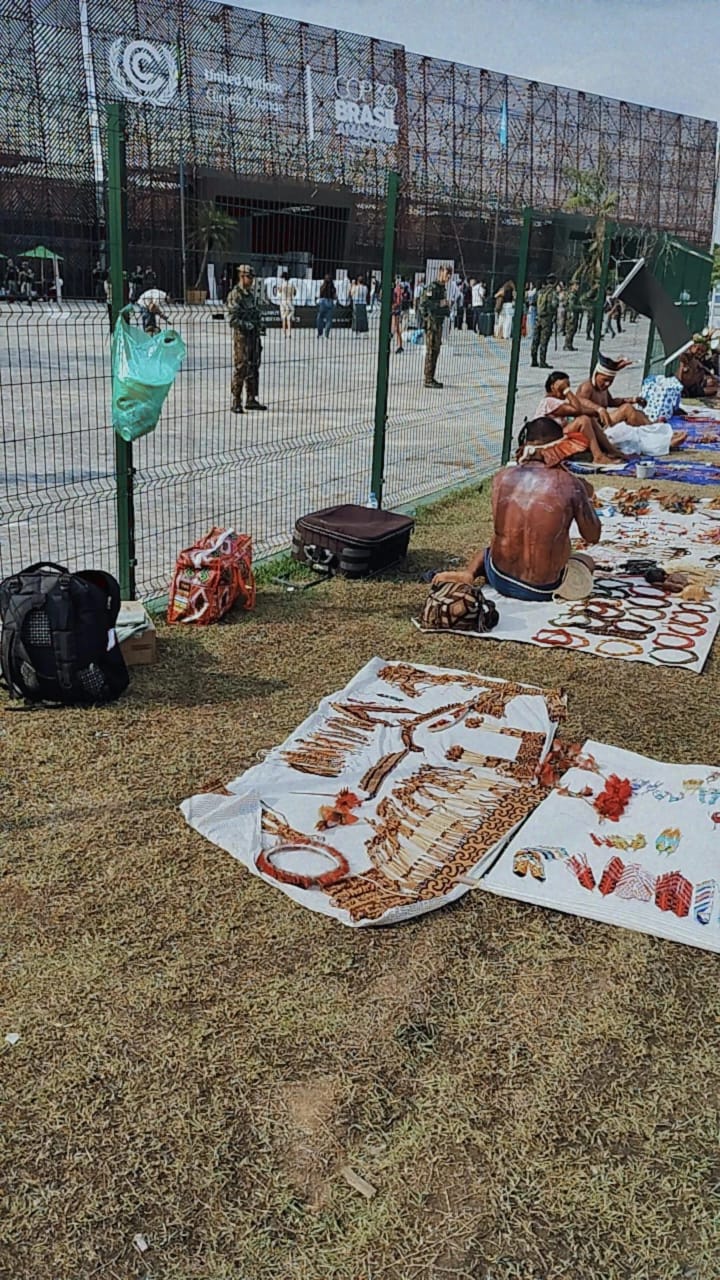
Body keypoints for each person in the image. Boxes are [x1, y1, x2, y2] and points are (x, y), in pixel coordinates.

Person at [433, 417, 601, 601]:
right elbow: (593, 535)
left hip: (499, 576)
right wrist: (583, 495)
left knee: (491, 548)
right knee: (586, 561)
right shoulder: (570, 484)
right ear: (559, 447)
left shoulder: (501, 478)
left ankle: (469, 573)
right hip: (541, 588)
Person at [575, 354, 687, 455]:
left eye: (611, 381)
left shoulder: (603, 389)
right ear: (596, 374)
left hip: (604, 423)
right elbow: (580, 400)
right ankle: (657, 431)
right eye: (604, 380)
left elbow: (611, 402)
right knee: (627, 410)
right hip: (595, 428)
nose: (607, 384)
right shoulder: (587, 387)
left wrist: (633, 399)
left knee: (636, 414)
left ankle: (657, 431)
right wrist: (599, 409)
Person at [536, 370, 627, 465]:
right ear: (552, 387)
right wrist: (567, 391)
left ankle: (611, 451)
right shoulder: (549, 402)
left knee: (588, 419)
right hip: (548, 438)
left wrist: (599, 411)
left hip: (557, 434)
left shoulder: (558, 402)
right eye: (563, 387)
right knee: (583, 420)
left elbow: (583, 411)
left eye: (568, 386)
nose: (565, 390)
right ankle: (598, 456)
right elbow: (577, 409)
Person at [226, 263, 266, 414]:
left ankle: (251, 398)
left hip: (253, 336)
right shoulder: (235, 295)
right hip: (242, 337)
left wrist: (259, 324)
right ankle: (236, 400)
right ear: (241, 276)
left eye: (252, 277)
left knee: (254, 366)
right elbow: (232, 319)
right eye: (249, 277)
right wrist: (247, 325)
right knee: (241, 367)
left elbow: (256, 313)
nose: (251, 280)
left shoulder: (250, 295)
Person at [418, 264, 452, 387]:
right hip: (432, 324)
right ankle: (428, 379)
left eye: (450, 275)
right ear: (441, 272)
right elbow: (423, 303)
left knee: (436, 351)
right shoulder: (433, 287)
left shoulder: (442, 288)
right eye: (447, 273)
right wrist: (439, 304)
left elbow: (441, 307)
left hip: (439, 323)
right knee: (431, 351)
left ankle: (431, 377)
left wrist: (447, 308)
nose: (448, 277)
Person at [530, 274, 558, 368]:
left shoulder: (540, 291)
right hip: (547, 319)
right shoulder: (552, 292)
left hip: (538, 317)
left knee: (535, 340)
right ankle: (542, 362)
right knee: (544, 341)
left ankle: (533, 360)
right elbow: (554, 305)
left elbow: (533, 302)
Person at [563, 282, 582, 351]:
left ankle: (569, 344)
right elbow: (572, 306)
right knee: (570, 329)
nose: (578, 287)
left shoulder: (574, 293)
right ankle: (567, 345)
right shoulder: (572, 294)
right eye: (576, 285)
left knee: (573, 329)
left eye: (578, 285)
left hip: (573, 313)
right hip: (572, 314)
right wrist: (581, 307)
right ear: (572, 286)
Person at [316, 274, 336, 338]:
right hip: (330, 302)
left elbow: (319, 295)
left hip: (322, 302)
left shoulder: (322, 287)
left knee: (320, 318)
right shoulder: (333, 288)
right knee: (329, 319)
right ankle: (326, 334)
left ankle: (320, 332)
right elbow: (335, 296)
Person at [278, 271, 296, 339]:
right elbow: (294, 293)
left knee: (283, 318)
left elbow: (279, 292)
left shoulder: (282, 285)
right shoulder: (291, 285)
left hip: (283, 302)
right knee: (289, 318)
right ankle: (289, 333)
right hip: (289, 301)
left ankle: (284, 334)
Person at [391, 277, 405, 353]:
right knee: (395, 326)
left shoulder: (397, 289)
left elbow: (399, 300)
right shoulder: (398, 288)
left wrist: (394, 305)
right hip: (396, 308)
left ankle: (399, 345)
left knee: (396, 327)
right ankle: (398, 344)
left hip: (395, 308)